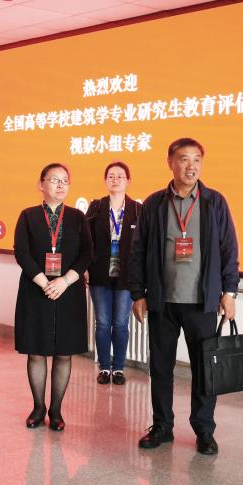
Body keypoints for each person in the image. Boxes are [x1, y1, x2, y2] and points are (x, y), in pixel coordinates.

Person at [128, 138, 239, 454]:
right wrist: (138, 294)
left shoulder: (214, 202)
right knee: (160, 368)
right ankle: (162, 426)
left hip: (202, 303)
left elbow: (229, 249)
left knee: (204, 369)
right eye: (184, 159)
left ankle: (204, 430)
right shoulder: (154, 204)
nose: (191, 166)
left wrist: (229, 292)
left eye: (196, 160)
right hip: (162, 301)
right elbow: (138, 251)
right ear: (170, 162)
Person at [13, 163, 93, 431]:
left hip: (68, 291)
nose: (60, 185)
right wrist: (44, 282)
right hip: (35, 290)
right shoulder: (28, 215)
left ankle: (56, 410)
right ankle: (38, 408)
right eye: (54, 180)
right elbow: (21, 252)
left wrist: (65, 281)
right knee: (36, 352)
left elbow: (87, 253)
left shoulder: (78, 217)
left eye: (65, 181)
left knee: (64, 353)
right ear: (41, 184)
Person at [84, 161, 141, 386]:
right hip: (99, 274)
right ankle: (104, 368)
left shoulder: (138, 210)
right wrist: (85, 268)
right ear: (105, 180)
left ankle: (118, 368)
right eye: (111, 176)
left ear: (128, 180)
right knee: (102, 323)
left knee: (120, 323)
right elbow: (86, 241)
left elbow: (143, 246)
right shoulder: (96, 207)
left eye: (120, 176)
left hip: (126, 276)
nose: (115, 179)